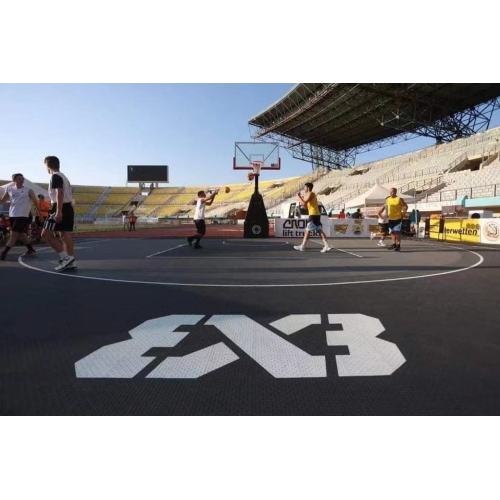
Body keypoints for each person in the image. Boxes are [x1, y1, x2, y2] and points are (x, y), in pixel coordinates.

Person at [41, 156, 76, 271]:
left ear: (48, 166)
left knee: (45, 234)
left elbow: (59, 192)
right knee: (65, 234)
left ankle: (65, 258)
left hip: (59, 207)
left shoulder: (55, 176)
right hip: (68, 207)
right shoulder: (64, 176)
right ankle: (70, 261)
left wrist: (58, 211)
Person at [0, 173, 40, 261]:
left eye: (22, 179)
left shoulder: (29, 190)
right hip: (12, 215)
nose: (22, 180)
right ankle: (31, 250)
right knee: (21, 234)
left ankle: (4, 253)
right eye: (19, 179)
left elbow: (36, 203)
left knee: (13, 235)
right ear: (14, 180)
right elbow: (3, 200)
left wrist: (39, 214)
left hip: (23, 216)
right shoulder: (10, 189)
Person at [293, 182, 331, 253]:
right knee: (319, 230)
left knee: (307, 230)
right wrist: (300, 198)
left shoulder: (311, 193)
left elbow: (304, 203)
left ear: (308, 188)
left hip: (313, 215)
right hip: (315, 214)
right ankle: (326, 246)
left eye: (305, 187)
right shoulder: (308, 195)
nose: (304, 189)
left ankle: (302, 246)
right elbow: (304, 206)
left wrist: (299, 197)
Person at [379, 187, 408, 251]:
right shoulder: (388, 199)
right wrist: (384, 216)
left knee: (397, 233)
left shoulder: (399, 199)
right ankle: (394, 244)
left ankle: (398, 245)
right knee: (392, 232)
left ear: (395, 192)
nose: (391, 193)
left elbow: (405, 206)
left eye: (393, 192)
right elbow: (386, 207)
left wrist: (403, 214)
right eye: (390, 192)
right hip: (390, 219)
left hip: (398, 218)